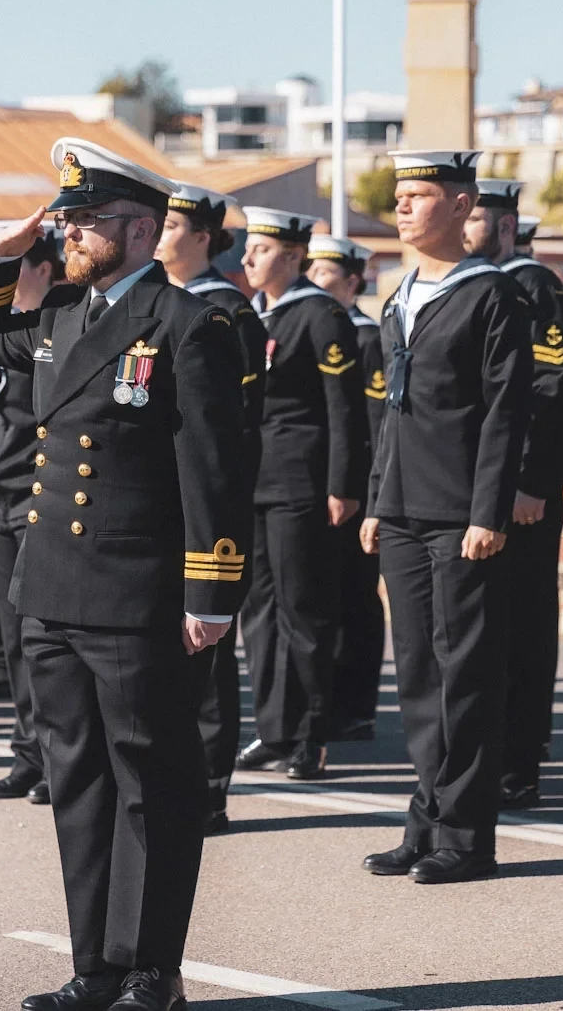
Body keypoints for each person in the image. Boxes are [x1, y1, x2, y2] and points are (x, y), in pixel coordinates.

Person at [0, 138, 248, 1011]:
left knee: (150, 786)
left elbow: (215, 472)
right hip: (51, 591)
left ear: (144, 228)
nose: (69, 234)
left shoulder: (189, 324)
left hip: (136, 593)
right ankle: (96, 969)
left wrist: (211, 594)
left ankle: (151, 969)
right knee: (77, 782)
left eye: (84, 222)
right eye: (66, 220)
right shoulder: (61, 319)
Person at [360, 150, 534, 886]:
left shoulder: (489, 295)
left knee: (464, 674)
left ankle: (466, 837)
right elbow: (388, 415)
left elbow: (505, 412)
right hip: (403, 509)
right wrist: (376, 499)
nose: (402, 208)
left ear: (462, 207)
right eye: (399, 196)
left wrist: (487, 510)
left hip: (461, 515)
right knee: (418, 677)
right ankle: (426, 818)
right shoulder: (401, 295)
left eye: (420, 195)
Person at [231, 206, 367, 783]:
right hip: (256, 480)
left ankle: (311, 734)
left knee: (303, 611)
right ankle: (273, 727)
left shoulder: (320, 315)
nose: (246, 260)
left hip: (302, 483)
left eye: (258, 251)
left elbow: (344, 409)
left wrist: (343, 485)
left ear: (291, 256)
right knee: (259, 613)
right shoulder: (254, 316)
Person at [467, 179, 563, 810]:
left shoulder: (534, 285)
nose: (464, 224)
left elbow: (550, 388)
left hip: (522, 492)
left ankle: (519, 762)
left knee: (523, 624)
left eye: (476, 213)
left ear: (506, 223)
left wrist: (531, 482)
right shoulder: (480, 283)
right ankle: (501, 754)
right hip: (490, 486)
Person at [158, 182, 267, 830]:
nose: (160, 233)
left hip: (205, 498)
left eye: (171, 224)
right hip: (157, 503)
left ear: (203, 237)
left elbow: (236, 422)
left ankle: (210, 782)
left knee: (205, 648)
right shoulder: (156, 303)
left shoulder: (225, 311)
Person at [0, 222, 82, 804]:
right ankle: (27, 753)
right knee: (15, 640)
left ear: (44, 268)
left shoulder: (62, 325)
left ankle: (55, 756)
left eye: (19, 267)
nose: (10, 282)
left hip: (37, 498)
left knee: (46, 639)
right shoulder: (15, 333)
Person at [304, 234, 385, 744]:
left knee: (355, 596)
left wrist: (364, 490)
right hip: (318, 481)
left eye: (323, 273)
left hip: (355, 486)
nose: (312, 279)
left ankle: (355, 705)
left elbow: (371, 422)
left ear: (351, 282)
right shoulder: (307, 323)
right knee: (321, 597)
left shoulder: (365, 335)